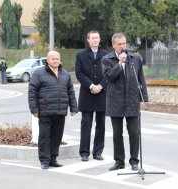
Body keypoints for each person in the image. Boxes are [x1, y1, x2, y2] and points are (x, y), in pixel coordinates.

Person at [101, 33, 149, 171]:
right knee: (117, 134)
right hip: (115, 101)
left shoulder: (135, 58)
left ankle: (134, 161)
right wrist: (119, 63)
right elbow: (109, 77)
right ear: (113, 45)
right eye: (119, 44)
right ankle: (119, 161)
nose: (122, 46)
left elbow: (141, 79)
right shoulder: (106, 59)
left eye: (124, 43)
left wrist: (143, 98)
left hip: (132, 100)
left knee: (134, 132)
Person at [28, 50, 78, 170]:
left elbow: (70, 91)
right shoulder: (39, 73)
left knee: (57, 136)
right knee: (44, 137)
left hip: (60, 111)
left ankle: (53, 158)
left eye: (57, 58)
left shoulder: (65, 74)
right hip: (45, 111)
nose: (55, 60)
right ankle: (44, 160)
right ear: (47, 60)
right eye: (53, 58)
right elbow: (32, 91)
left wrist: (74, 107)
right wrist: (34, 109)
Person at [75, 30, 109, 161]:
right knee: (86, 124)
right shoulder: (81, 55)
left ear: (100, 39)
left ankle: (98, 152)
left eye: (97, 38)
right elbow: (79, 73)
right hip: (87, 94)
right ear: (88, 40)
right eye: (93, 38)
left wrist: (100, 86)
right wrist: (91, 85)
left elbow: (109, 73)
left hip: (102, 94)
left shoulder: (106, 55)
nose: (95, 40)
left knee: (101, 125)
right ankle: (84, 152)